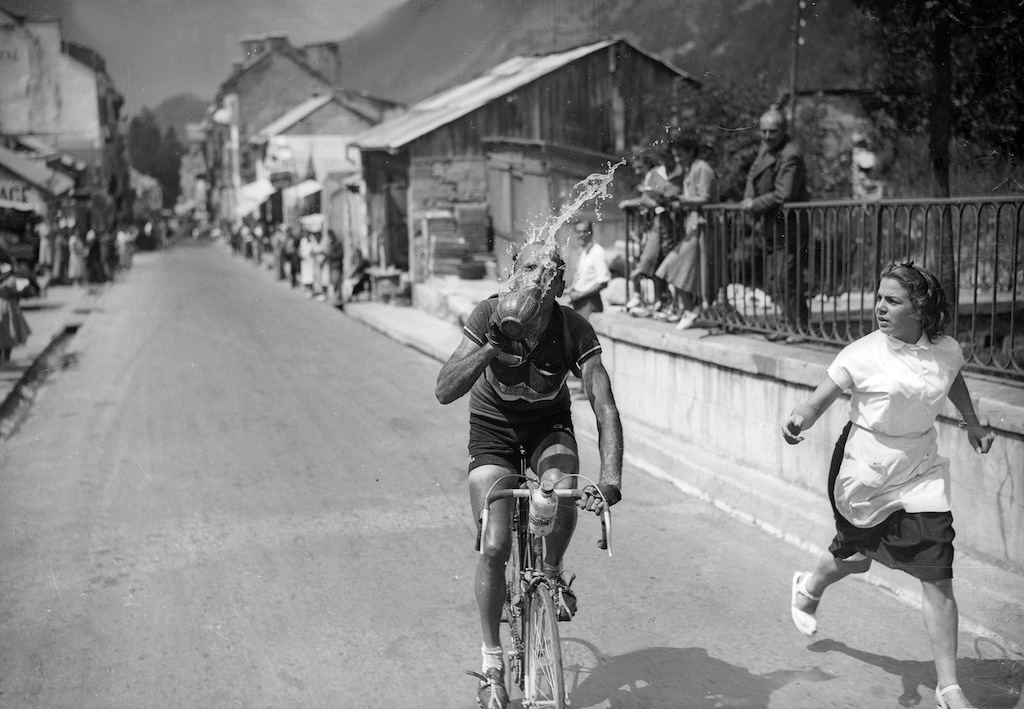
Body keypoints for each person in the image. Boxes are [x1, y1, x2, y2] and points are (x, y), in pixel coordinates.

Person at [781, 263, 994, 709]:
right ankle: (810, 584)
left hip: (920, 469)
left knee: (937, 575)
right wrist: (798, 420)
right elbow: (819, 399)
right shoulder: (860, 353)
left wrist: (973, 426)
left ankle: (948, 686)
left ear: (920, 308)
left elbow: (953, 383)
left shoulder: (948, 350)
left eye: (892, 300)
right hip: (864, 470)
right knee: (856, 559)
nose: (879, 306)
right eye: (879, 297)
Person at [435, 240, 623, 709]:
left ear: (560, 285)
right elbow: (444, 389)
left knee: (559, 489)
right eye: (532, 266)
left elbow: (604, 405)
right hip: (493, 429)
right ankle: (492, 662)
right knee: (495, 545)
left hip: (547, 425)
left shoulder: (573, 329)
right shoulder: (489, 314)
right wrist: (492, 346)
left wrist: (612, 480)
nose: (543, 275)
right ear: (513, 275)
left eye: (553, 270)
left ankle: (553, 574)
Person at [741, 106, 810, 341]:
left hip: (789, 226)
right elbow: (753, 174)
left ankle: (799, 327)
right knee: (774, 277)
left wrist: (753, 204)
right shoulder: (767, 148)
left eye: (772, 132)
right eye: (763, 132)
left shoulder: (790, 154)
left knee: (786, 277)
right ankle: (784, 323)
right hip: (771, 226)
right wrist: (749, 196)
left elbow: (784, 194)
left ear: (783, 130)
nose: (767, 137)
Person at [656, 136, 719, 330]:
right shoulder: (690, 169)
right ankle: (691, 309)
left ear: (691, 152)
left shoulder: (702, 169)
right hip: (693, 228)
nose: (677, 160)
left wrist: (680, 199)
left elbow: (706, 198)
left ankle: (692, 310)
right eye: (675, 156)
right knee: (677, 270)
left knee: (675, 268)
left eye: (680, 155)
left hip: (703, 227)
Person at [619, 149, 676, 317]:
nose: (637, 171)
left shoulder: (653, 174)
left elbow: (649, 200)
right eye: (635, 168)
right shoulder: (651, 175)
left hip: (660, 224)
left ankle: (639, 298)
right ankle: (661, 302)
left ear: (647, 165)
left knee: (645, 264)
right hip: (657, 224)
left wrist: (628, 203)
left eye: (639, 167)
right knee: (656, 266)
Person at [565, 221, 610, 321]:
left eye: (585, 231)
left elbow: (603, 282)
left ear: (591, 233)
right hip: (578, 303)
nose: (582, 235)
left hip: (590, 303)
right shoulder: (582, 252)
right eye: (579, 232)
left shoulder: (597, 252)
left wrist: (580, 295)